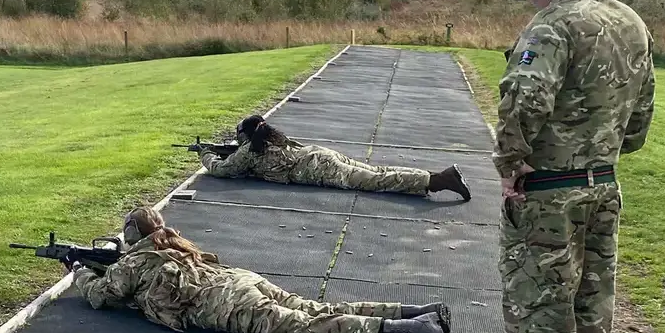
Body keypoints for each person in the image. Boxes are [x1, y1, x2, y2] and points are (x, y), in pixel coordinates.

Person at [480, 0, 655, 333]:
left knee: (541, 300)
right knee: (591, 298)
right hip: (603, 187)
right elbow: (640, 123)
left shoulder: (553, 26)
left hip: (548, 194)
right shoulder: (631, 24)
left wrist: (510, 169)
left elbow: (520, 104)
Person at [73, 206, 451, 333]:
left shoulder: (134, 262)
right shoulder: (172, 243)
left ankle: (411, 331)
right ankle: (416, 311)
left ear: (130, 235)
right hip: (242, 281)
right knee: (317, 308)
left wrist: (80, 272)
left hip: (230, 306)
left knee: (309, 327)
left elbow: (102, 296)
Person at [200, 115, 471, 201]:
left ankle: (438, 180)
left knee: (375, 181)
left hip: (319, 170)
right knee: (378, 171)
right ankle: (434, 176)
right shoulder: (271, 138)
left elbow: (223, 170)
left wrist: (207, 155)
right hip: (320, 154)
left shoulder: (248, 151)